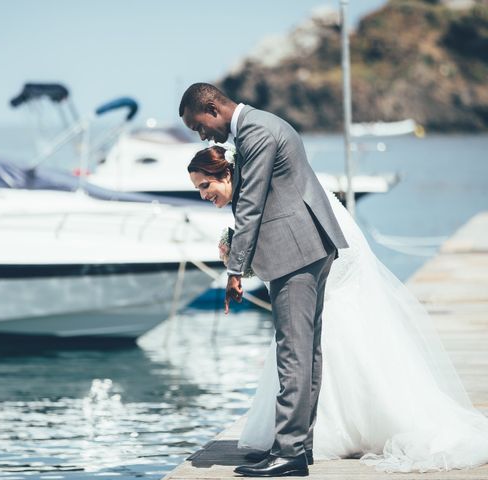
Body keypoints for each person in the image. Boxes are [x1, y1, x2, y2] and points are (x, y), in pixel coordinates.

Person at [187, 145, 488, 474]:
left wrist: (240, 260)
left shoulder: (261, 185)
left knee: (313, 337)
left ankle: (307, 439)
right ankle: (300, 438)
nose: (203, 194)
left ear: (227, 173)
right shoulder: (256, 182)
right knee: (310, 338)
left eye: (206, 185)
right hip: (320, 249)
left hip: (327, 254)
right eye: (199, 188)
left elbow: (285, 239)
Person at [180, 82, 348, 477]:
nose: (202, 134)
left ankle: (289, 452)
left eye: (198, 125)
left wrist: (235, 270)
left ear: (211, 107)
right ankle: (297, 446)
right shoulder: (260, 125)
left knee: (293, 351)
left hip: (295, 252)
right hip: (306, 247)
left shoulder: (256, 130)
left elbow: (251, 204)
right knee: (306, 350)